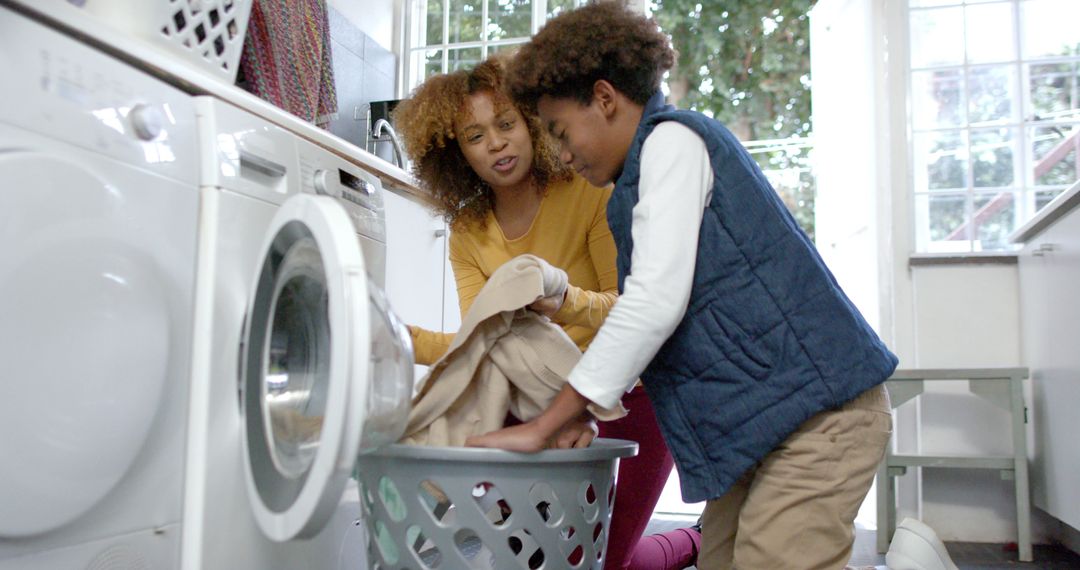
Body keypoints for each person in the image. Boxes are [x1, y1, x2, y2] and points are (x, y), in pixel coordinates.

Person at [466, 4, 898, 570]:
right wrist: (585, 413)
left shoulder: (672, 142)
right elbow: (666, 323)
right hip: (763, 428)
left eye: (561, 131)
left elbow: (652, 305)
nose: (562, 154)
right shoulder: (637, 183)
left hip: (821, 417)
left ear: (604, 98)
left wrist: (549, 423)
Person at [393, 55, 700, 570]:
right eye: (474, 136)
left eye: (506, 124)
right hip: (538, 401)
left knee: (602, 560)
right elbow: (481, 344)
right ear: (455, 153)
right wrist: (401, 338)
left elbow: (632, 309)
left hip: (631, 397)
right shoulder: (468, 231)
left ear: (532, 122)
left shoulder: (587, 192)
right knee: (540, 556)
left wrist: (563, 303)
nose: (495, 143)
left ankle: (692, 542)